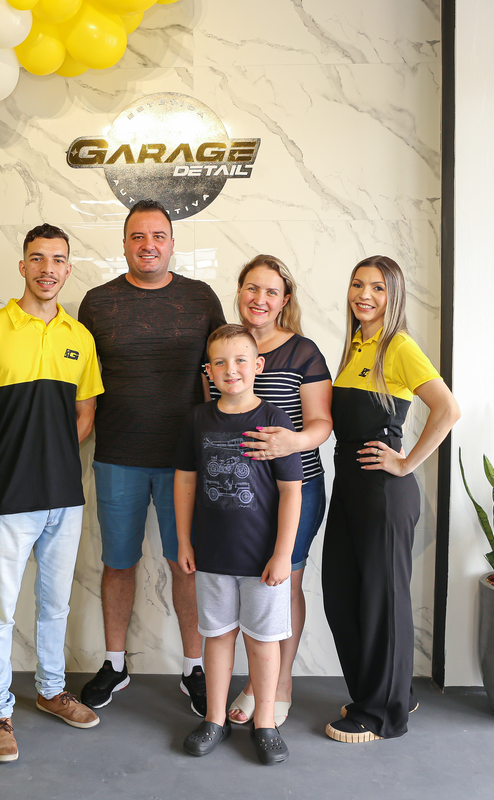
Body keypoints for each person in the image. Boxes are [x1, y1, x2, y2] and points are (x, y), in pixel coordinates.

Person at [0, 223, 105, 763]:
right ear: (22, 266)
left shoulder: (79, 338)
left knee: (55, 605)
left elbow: (86, 413)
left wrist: (50, 454)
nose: (47, 269)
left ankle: (50, 690)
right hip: (7, 502)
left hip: (65, 499)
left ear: (68, 269)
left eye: (57, 260)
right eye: (37, 258)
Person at [77, 199, 226, 715]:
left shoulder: (200, 298)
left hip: (186, 462)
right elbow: (81, 383)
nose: (148, 245)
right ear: (123, 244)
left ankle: (193, 668)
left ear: (172, 243)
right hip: (117, 456)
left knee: (185, 564)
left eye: (158, 236)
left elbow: (222, 374)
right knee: (117, 563)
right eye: (138, 236)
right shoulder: (97, 303)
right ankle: (115, 663)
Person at [322, 255, 460, 743]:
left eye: (378, 288)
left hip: (383, 492)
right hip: (350, 487)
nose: (365, 295)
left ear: (394, 295)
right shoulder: (357, 345)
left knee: (384, 601)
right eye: (358, 284)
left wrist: (406, 463)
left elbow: (447, 409)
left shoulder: (398, 346)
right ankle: (385, 691)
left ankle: (383, 714)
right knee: (342, 594)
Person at [208, 256, 332, 728]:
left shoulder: (303, 352)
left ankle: (279, 686)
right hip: (235, 497)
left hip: (294, 489)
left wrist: (290, 442)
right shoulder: (222, 348)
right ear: (239, 291)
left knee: (284, 583)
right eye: (251, 288)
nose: (259, 299)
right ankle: (256, 683)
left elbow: (321, 423)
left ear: (285, 300)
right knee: (241, 590)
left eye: (271, 292)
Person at [174, 324, 303, 765]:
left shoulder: (275, 419)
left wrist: (283, 554)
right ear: (209, 371)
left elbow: (291, 491)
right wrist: (184, 540)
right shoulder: (197, 419)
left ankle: (265, 722)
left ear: (258, 365)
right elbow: (185, 481)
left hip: (262, 560)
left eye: (241, 360)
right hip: (211, 556)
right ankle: (214, 719)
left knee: (263, 640)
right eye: (221, 362)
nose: (232, 370)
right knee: (216, 635)